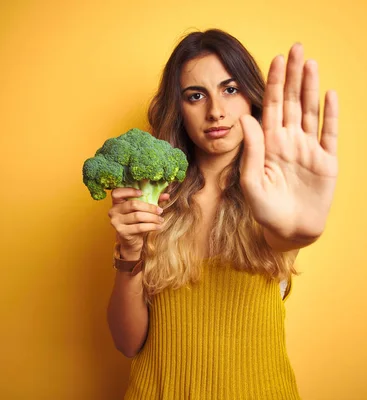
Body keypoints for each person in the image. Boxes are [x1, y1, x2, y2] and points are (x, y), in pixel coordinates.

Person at [106, 28, 339, 399]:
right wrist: (129, 249)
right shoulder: (153, 194)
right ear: (178, 109)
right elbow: (127, 343)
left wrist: (300, 232)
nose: (216, 111)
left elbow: (286, 234)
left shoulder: (275, 192)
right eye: (196, 96)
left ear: (251, 98)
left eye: (230, 89)